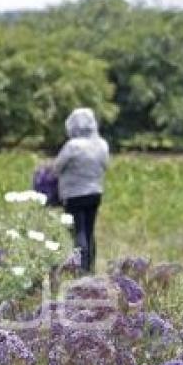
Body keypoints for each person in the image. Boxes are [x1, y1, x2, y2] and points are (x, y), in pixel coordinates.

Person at [53, 107, 110, 273]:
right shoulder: (101, 144)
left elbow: (57, 167)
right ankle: (91, 265)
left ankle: (80, 267)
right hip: (95, 192)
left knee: (78, 231)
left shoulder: (72, 146)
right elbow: (105, 165)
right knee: (90, 230)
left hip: (74, 194)